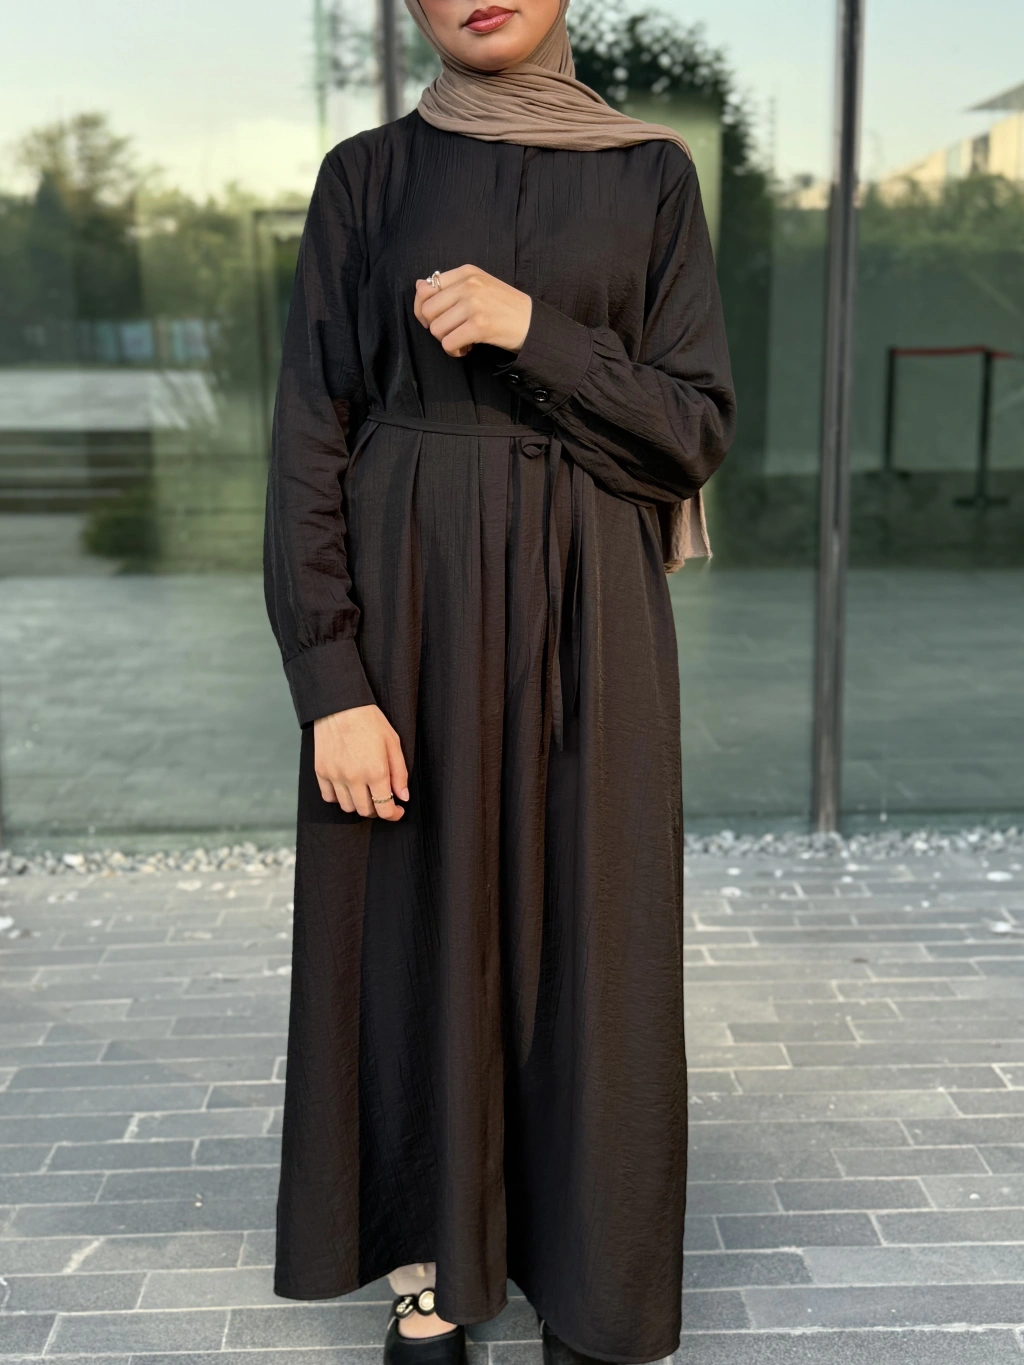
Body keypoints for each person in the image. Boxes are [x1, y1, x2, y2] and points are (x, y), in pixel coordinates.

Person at [263, 1, 735, 1362]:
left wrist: (536, 329)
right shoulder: (369, 176)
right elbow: (309, 438)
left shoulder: (650, 174)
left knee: (598, 936)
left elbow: (692, 429)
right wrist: (331, 682)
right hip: (408, 610)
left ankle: (592, 1286)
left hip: (597, 611)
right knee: (415, 929)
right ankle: (432, 1270)